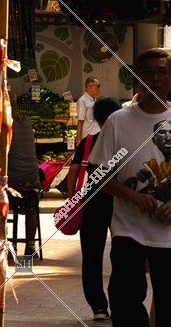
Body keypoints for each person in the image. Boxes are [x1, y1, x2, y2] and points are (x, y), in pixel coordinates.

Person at [89, 49, 171, 327]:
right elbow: (99, 174)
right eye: (147, 72)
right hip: (128, 230)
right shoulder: (118, 121)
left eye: (161, 72)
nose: (154, 78)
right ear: (136, 79)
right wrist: (132, 196)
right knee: (124, 301)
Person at [69, 97, 122, 323]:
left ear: (97, 120)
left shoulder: (89, 141)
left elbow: (73, 173)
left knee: (92, 256)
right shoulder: (125, 143)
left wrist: (73, 199)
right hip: (121, 203)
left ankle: (99, 306)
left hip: (92, 202)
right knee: (122, 254)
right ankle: (119, 301)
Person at [7, 95, 42, 258]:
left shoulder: (4, 124)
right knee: (32, 209)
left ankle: (4, 244)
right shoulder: (26, 121)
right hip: (32, 181)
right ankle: (30, 246)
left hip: (13, 184)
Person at [76, 77, 102, 142]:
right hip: (88, 136)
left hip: (97, 134)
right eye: (98, 86)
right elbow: (80, 121)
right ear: (90, 87)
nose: (100, 89)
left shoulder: (95, 100)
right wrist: (78, 139)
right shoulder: (82, 100)